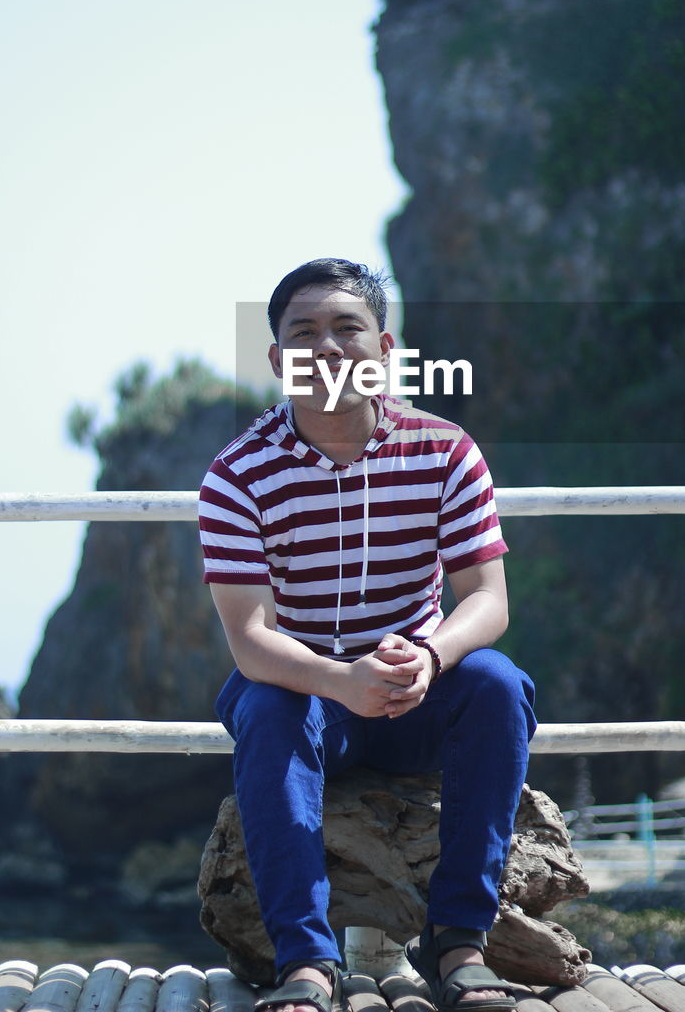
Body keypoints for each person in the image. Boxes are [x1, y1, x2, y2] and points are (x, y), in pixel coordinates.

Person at [198, 259, 536, 1012]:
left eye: (347, 328)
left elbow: (487, 600)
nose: (328, 348)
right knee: (264, 706)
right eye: (304, 333)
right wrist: (337, 679)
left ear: (384, 348)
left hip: (413, 682)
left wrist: (428, 656)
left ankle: (458, 941)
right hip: (305, 695)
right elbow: (250, 639)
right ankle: (306, 962)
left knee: (498, 686)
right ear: (278, 362)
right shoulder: (237, 475)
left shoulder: (444, 449)